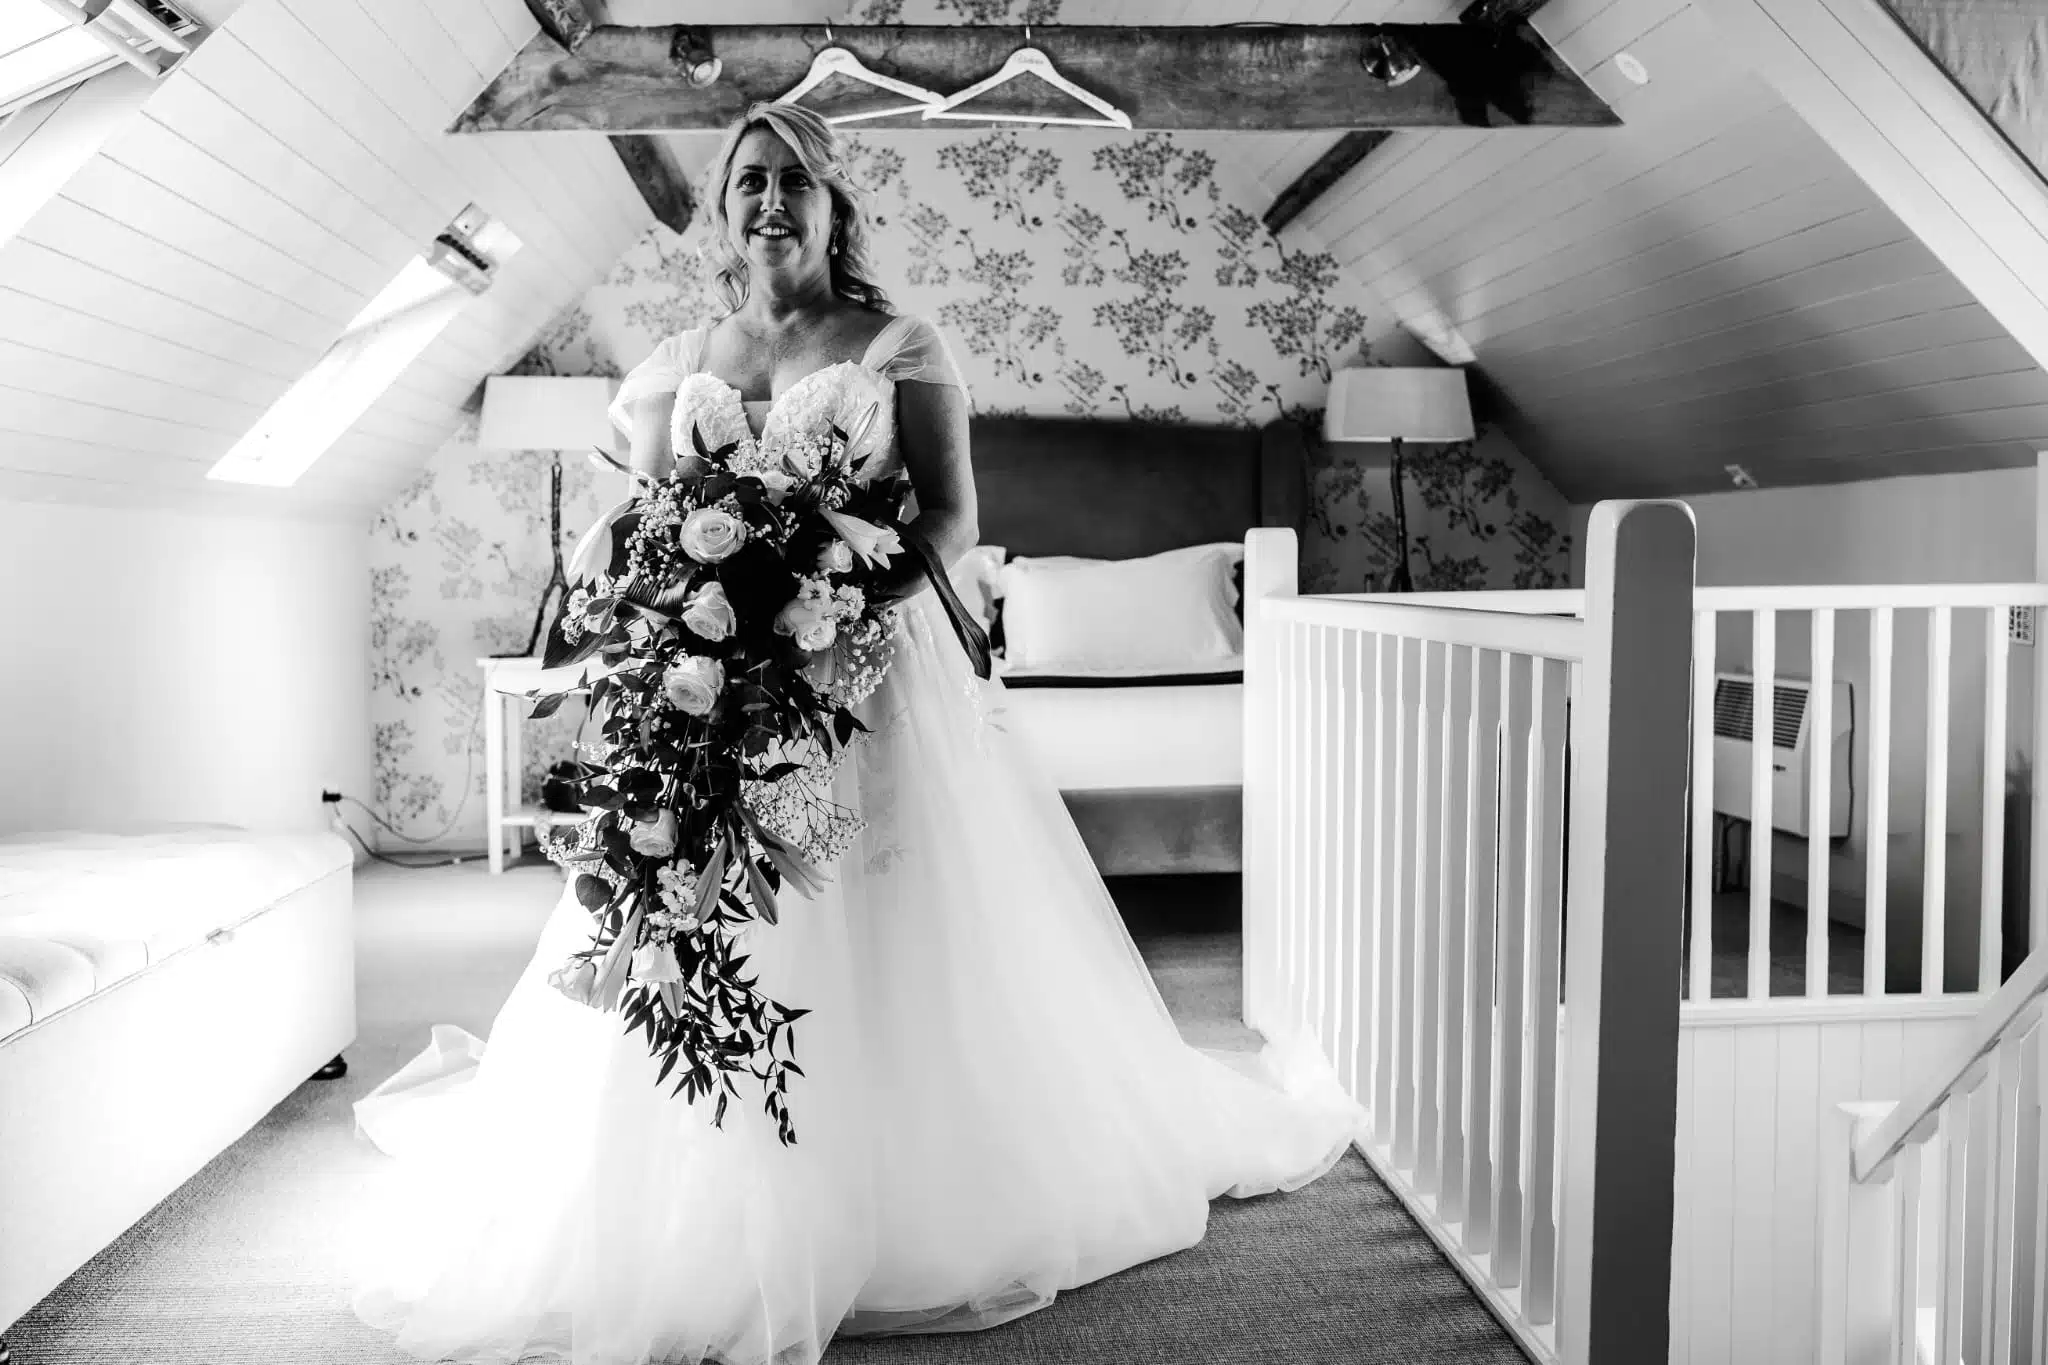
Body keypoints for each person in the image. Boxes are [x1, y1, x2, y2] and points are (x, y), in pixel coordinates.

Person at [351, 102, 1360, 1365]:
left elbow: (943, 522)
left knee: (875, 924)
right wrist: (648, 590)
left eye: (792, 184)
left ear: (834, 207)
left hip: (866, 677)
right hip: (715, 681)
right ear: (722, 213)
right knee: (706, 906)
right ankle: (712, 1181)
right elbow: (650, 515)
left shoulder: (896, 345)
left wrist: (829, 593)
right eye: (746, 185)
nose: (768, 202)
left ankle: (895, 1192)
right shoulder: (675, 359)